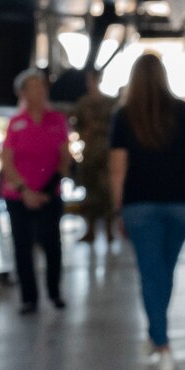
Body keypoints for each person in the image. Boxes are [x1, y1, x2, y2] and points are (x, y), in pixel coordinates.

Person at [110, 56, 185, 370]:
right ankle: (157, 335)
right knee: (163, 272)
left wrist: (118, 209)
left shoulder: (124, 116)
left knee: (151, 272)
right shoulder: (184, 112)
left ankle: (163, 342)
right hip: (180, 204)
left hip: (139, 206)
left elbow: (118, 169)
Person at [1, 69, 72, 315]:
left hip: (48, 192)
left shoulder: (57, 120)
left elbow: (65, 157)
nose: (39, 92)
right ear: (22, 93)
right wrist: (25, 190)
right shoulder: (15, 124)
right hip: (18, 195)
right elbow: (7, 162)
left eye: (42, 87)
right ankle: (29, 297)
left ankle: (55, 291)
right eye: (33, 88)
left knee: (52, 244)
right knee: (23, 247)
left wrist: (46, 189)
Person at [71, 67, 117, 247]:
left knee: (107, 193)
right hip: (90, 154)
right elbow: (79, 128)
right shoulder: (82, 103)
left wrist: (99, 128)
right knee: (90, 193)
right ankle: (90, 230)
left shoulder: (110, 103)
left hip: (106, 154)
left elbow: (114, 127)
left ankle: (108, 230)